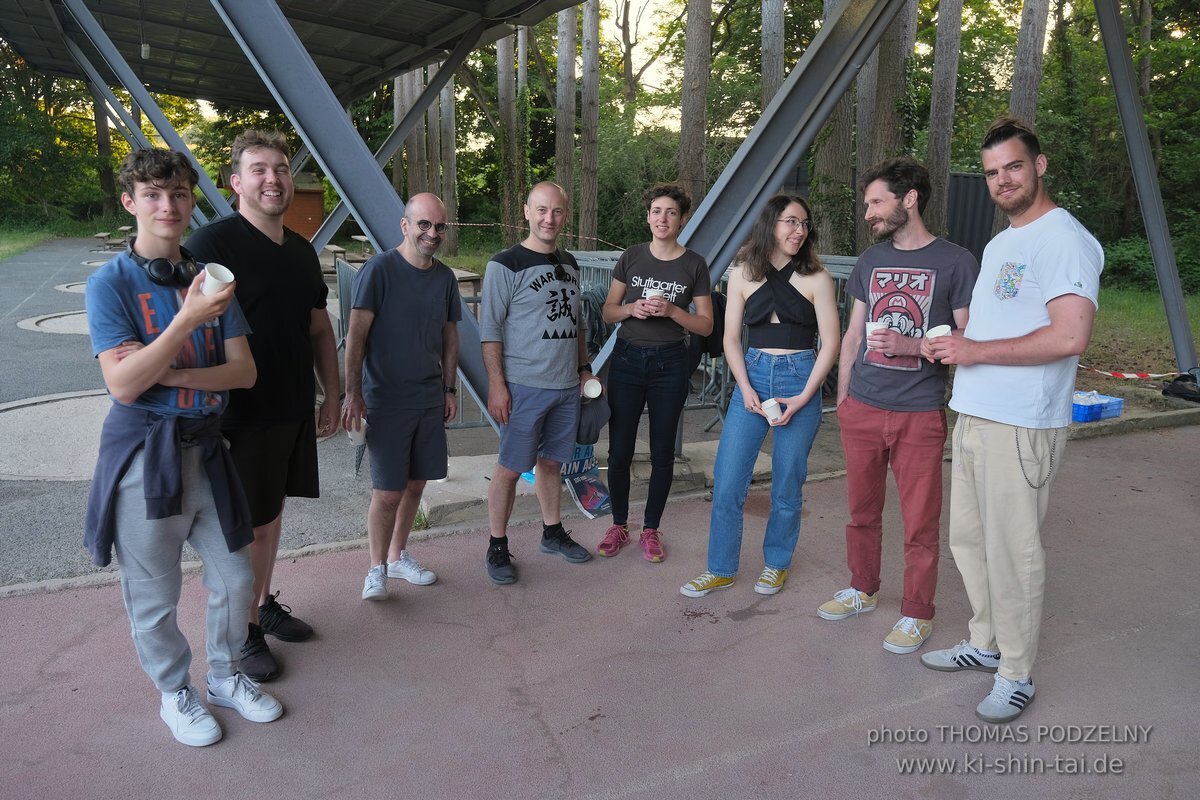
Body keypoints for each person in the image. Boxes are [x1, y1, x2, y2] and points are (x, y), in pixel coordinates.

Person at [84, 148, 282, 747]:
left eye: (177, 195)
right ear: (130, 202)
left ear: (192, 202)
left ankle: (223, 677)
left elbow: (243, 372)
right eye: (152, 195)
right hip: (147, 459)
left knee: (236, 578)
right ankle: (175, 691)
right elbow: (121, 383)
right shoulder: (110, 283)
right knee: (155, 591)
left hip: (208, 449)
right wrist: (187, 322)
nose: (167, 206)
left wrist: (169, 374)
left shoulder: (210, 278)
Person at [920, 117, 1103, 723]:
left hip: (1022, 423)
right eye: (994, 171)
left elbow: (1071, 335)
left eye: (1014, 167)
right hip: (975, 410)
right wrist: (954, 342)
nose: (1003, 180)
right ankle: (985, 642)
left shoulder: (1065, 240)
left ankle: (1016, 674)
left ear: (1040, 165)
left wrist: (973, 352)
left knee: (1014, 549)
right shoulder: (1002, 243)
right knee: (969, 540)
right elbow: (997, 328)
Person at [187, 130, 339, 682]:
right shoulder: (211, 247)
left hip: (291, 407)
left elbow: (319, 328)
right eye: (259, 170)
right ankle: (244, 631)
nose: (273, 179)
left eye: (279, 169)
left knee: (272, 518)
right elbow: (185, 329)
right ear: (235, 183)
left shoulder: (301, 250)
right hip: (238, 417)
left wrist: (333, 395)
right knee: (244, 529)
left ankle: (260, 604)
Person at [816, 158, 979, 655]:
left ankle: (916, 613)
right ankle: (863, 588)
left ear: (909, 199)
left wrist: (911, 348)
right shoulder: (869, 262)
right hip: (862, 407)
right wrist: (844, 397)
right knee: (861, 512)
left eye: (876, 202)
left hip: (919, 412)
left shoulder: (956, 262)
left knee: (920, 522)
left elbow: (970, 337)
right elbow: (852, 334)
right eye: (868, 204)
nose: (869, 213)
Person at [680, 195, 839, 598]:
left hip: (800, 378)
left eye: (804, 223)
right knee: (729, 479)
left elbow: (832, 344)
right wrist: (746, 387)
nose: (799, 230)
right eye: (790, 221)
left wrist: (804, 397)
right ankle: (720, 568)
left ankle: (776, 564)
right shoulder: (742, 275)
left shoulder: (817, 277)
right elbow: (731, 338)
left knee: (788, 483)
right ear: (770, 224)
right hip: (752, 378)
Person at [341, 193, 460, 600]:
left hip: (428, 396)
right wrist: (352, 393)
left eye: (439, 226)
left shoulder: (444, 278)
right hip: (386, 398)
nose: (432, 233)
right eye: (424, 224)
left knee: (416, 484)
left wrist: (449, 388)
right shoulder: (379, 270)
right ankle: (375, 568)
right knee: (388, 491)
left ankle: (397, 555)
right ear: (405, 225)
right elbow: (356, 336)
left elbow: (449, 334)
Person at [480, 182, 594, 584]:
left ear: (566, 215)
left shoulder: (571, 263)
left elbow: (576, 324)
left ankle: (552, 531)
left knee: (552, 463)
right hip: (524, 385)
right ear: (526, 212)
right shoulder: (505, 263)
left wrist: (584, 368)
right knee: (510, 468)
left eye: (558, 211)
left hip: (566, 385)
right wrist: (497, 384)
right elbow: (490, 328)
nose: (549, 219)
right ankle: (496, 545)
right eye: (541, 210)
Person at [597, 183, 714, 562]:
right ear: (648, 216)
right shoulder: (631, 257)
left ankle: (650, 528)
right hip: (628, 360)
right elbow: (608, 311)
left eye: (671, 212)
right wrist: (633, 308)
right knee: (620, 451)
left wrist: (673, 312)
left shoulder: (694, 264)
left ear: (681, 219)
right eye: (656, 211)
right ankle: (618, 525)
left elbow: (706, 326)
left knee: (662, 452)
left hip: (669, 363)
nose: (662, 218)